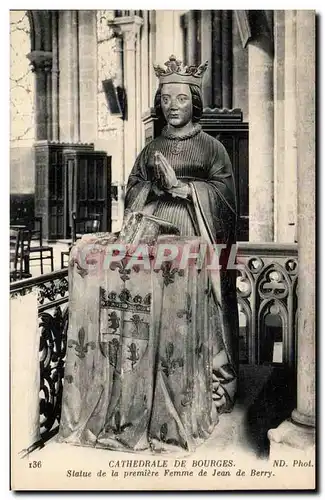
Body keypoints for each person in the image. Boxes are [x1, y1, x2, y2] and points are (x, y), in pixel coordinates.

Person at [58, 55, 239, 453]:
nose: (171, 105)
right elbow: (134, 187)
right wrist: (150, 187)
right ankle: (148, 396)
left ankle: (200, 387)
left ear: (195, 101)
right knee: (150, 314)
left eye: (179, 98)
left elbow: (224, 199)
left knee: (188, 318)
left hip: (194, 235)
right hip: (152, 236)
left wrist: (185, 189)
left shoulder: (213, 148)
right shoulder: (151, 145)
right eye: (165, 99)